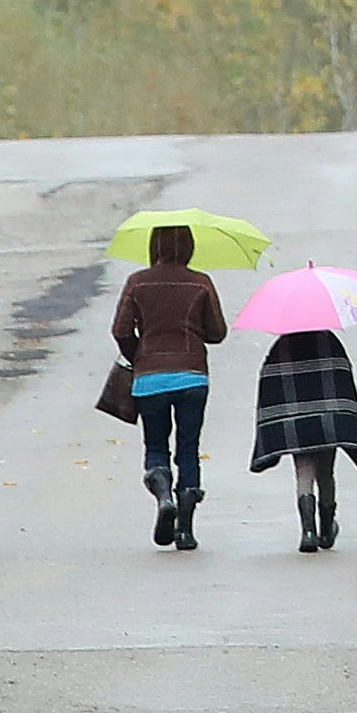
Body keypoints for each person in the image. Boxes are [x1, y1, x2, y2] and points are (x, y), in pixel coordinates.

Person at [112, 221, 232, 550]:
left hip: (150, 378)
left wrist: (140, 356)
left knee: (156, 446)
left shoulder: (136, 283)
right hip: (193, 376)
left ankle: (164, 495)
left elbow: (121, 330)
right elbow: (218, 332)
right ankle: (186, 530)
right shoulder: (200, 283)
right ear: (190, 246)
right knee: (188, 448)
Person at [252, 319, 357, 552]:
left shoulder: (281, 347)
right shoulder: (330, 342)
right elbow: (343, 380)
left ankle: (308, 533)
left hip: (297, 424)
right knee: (326, 473)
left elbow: (270, 386)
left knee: (303, 474)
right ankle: (326, 529)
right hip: (327, 421)